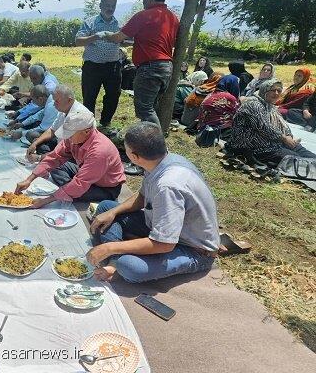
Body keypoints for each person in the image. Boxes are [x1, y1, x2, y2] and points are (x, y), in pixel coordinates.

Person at [87, 122, 220, 283]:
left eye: (126, 150)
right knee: (106, 208)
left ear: (134, 157)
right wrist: (113, 212)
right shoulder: (162, 161)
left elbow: (165, 244)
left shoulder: (167, 186)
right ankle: (115, 260)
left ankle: (117, 261)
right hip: (164, 229)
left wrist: (109, 247)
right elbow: (142, 197)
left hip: (193, 250)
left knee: (129, 266)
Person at [105, 0, 179, 127]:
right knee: (151, 106)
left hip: (150, 68)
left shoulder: (144, 15)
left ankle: (157, 146)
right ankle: (149, 141)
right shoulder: (172, 17)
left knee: (144, 110)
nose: (143, 0)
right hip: (166, 68)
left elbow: (118, 37)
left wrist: (104, 34)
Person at [15, 107, 125, 205]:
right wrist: (29, 179)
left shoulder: (100, 151)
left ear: (87, 131)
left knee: (76, 193)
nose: (67, 137)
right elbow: (54, 157)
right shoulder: (73, 138)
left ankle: (69, 190)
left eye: (70, 134)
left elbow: (81, 182)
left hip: (105, 188)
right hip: (85, 173)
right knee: (57, 167)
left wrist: (46, 200)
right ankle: (68, 189)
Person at [226, 79, 316, 165]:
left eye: (279, 91)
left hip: (273, 142)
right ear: (265, 90)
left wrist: (288, 135)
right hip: (254, 147)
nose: (276, 93)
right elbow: (263, 126)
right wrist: (284, 138)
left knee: (305, 152)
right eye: (273, 90)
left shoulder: (271, 106)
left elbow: (282, 124)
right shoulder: (253, 104)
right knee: (296, 159)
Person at [75, 0, 123, 127]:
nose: (110, 8)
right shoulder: (90, 22)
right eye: (107, 5)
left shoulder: (119, 24)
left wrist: (121, 39)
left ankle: (106, 122)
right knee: (89, 96)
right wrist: (95, 37)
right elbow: (78, 41)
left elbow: (125, 41)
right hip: (93, 66)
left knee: (113, 95)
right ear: (100, 6)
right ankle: (89, 125)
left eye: (112, 6)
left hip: (113, 66)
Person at [26, 84, 89, 159]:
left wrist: (39, 158)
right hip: (61, 144)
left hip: (73, 153)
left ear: (69, 100)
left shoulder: (78, 116)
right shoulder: (63, 110)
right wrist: (35, 143)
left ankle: (51, 159)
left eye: (57, 101)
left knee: (56, 164)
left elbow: (66, 149)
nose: (54, 104)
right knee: (37, 141)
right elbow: (52, 130)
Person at [196, 75, 240, 140]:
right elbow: (238, 113)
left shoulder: (211, 94)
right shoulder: (229, 97)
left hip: (202, 129)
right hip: (218, 131)